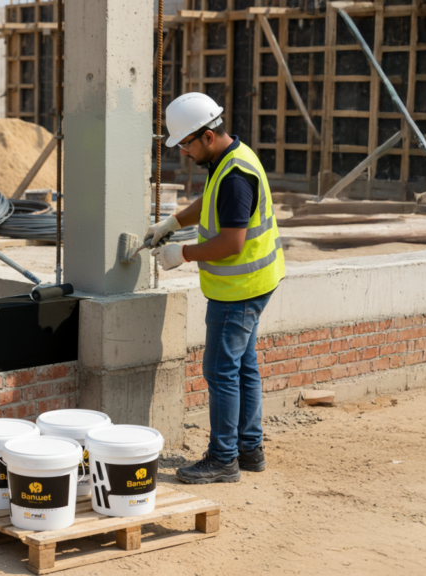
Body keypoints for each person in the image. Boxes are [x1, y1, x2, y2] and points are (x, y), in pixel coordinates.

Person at [146, 92, 285, 484]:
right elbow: (210, 202)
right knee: (243, 367)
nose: (185, 153)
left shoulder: (235, 175)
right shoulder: (229, 159)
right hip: (254, 282)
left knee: (221, 369)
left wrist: (183, 254)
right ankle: (248, 449)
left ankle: (223, 458)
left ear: (207, 136)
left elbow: (232, 243)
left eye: (187, 143)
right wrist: (171, 223)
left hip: (238, 289)